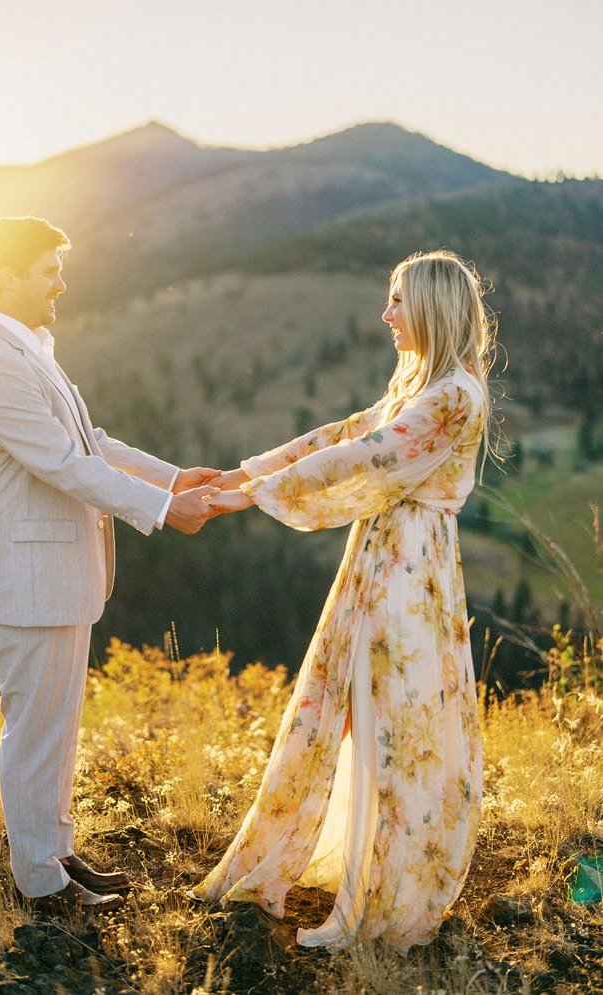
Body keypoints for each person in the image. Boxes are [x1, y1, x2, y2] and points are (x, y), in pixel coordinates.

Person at [196, 249, 495, 950]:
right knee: (368, 722)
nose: (385, 314)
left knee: (391, 731)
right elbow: (341, 433)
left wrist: (250, 497)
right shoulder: (422, 384)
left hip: (409, 575)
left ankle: (373, 905)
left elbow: (369, 457)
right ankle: (359, 887)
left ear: (430, 306)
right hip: (385, 561)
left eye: (397, 300)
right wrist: (248, 470)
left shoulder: (454, 394)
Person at [0, 215, 220, 915]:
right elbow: (64, 464)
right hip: (25, 585)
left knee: (57, 729)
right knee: (35, 733)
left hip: (55, 582)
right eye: (48, 271)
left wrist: (173, 478)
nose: (61, 284)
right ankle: (39, 882)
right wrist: (162, 510)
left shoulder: (28, 349)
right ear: (9, 277)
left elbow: (90, 439)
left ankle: (57, 853)